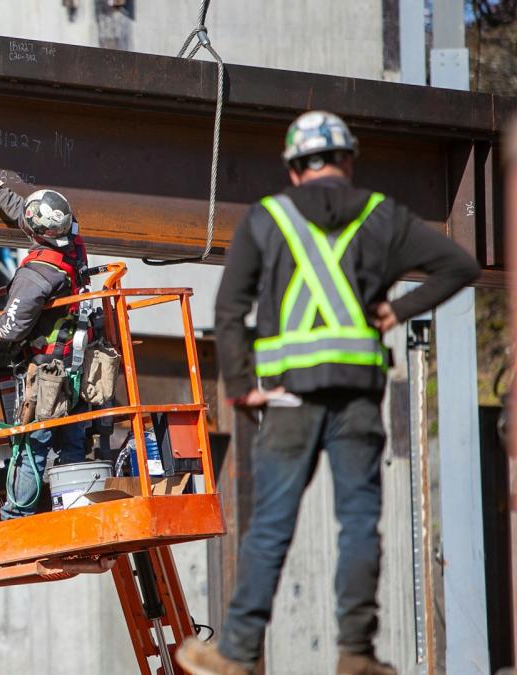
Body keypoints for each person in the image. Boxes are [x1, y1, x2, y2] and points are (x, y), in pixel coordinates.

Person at [176, 111, 480, 675]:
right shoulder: (381, 215)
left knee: (271, 524)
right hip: (358, 398)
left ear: (294, 170)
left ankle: (237, 653)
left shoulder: (266, 220)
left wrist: (241, 387)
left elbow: (229, 309)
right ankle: (355, 655)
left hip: (289, 399)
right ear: (347, 161)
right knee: (360, 522)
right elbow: (458, 264)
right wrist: (398, 309)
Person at [0, 167, 91, 520]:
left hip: (47, 373)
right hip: (77, 367)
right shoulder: (73, 244)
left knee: (30, 445)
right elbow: (27, 214)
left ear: (37, 233)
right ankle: (74, 506)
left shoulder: (36, 274)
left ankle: (16, 516)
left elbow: (9, 329)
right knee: (72, 439)